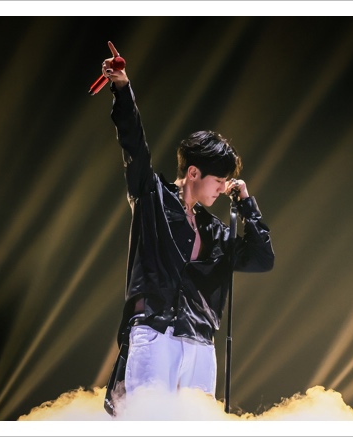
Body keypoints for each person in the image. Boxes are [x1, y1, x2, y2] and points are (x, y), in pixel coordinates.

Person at [100, 42, 275, 416]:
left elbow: (262, 259)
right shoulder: (152, 198)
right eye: (219, 180)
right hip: (154, 334)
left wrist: (246, 205)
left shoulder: (216, 232)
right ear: (194, 172)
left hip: (200, 343)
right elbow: (134, 144)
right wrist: (122, 87)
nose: (222, 188)